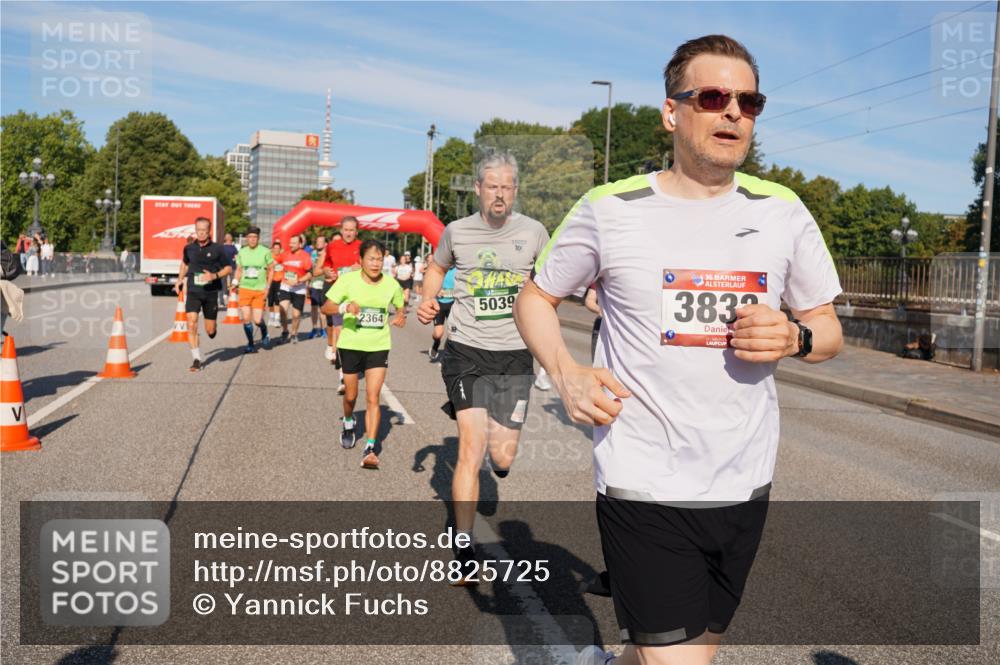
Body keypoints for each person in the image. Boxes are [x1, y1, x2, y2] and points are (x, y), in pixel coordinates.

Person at [513, 35, 844, 665]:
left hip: (745, 481)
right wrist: (566, 373)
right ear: (672, 112)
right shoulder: (609, 209)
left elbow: (827, 330)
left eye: (749, 102)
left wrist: (795, 337)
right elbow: (536, 297)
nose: (733, 112)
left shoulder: (783, 211)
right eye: (713, 97)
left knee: (690, 649)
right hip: (644, 479)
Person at [417, 151, 549, 580]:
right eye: (492, 186)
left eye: (507, 186)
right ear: (478, 189)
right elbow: (436, 268)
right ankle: (464, 545)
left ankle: (499, 440)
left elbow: (554, 278)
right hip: (467, 351)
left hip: (515, 353)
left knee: (502, 457)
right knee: (470, 450)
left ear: (515, 190)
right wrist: (427, 299)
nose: (499, 194)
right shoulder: (457, 231)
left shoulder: (534, 232)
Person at [322, 239, 406, 468]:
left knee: (373, 396)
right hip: (350, 345)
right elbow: (326, 307)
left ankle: (370, 447)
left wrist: (401, 316)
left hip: (378, 345)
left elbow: (400, 306)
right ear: (360, 260)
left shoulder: (391, 284)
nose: (376, 263)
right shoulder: (347, 280)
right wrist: (344, 307)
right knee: (350, 396)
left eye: (379, 259)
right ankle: (349, 421)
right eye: (371, 259)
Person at [174, 217, 233, 372]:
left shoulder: (218, 249)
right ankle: (196, 359)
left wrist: (214, 276)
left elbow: (228, 268)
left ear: (209, 231)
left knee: (210, 331)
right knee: (191, 322)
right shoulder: (189, 248)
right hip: (193, 291)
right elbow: (184, 264)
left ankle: (213, 328)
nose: (200, 233)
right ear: (195, 230)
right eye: (198, 230)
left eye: (204, 230)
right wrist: (179, 280)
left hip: (210, 293)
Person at [314, 216, 363, 394]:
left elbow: (374, 269)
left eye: (352, 230)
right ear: (341, 230)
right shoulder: (332, 246)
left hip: (357, 295)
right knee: (339, 332)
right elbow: (320, 269)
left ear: (356, 231)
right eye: (346, 230)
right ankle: (343, 377)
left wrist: (362, 268)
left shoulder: (363, 246)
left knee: (355, 334)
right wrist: (326, 271)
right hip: (338, 294)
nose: (348, 233)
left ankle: (353, 363)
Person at [233, 226, 274, 353]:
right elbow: (239, 269)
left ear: (258, 238)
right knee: (246, 318)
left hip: (259, 290)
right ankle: (250, 343)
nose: (252, 239)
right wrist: (235, 281)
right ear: (246, 238)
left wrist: (268, 286)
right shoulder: (242, 252)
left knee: (257, 320)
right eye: (250, 237)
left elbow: (271, 269)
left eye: (255, 237)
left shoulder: (265, 251)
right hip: (245, 288)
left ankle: (264, 331)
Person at [276, 234, 313, 343]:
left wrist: (299, 280)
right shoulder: (285, 254)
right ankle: (285, 331)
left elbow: (310, 273)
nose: (290, 245)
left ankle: (294, 333)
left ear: (300, 244)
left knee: (296, 315)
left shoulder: (305, 256)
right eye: (290, 242)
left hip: (299, 288)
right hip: (285, 286)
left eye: (294, 243)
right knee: (283, 310)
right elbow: (275, 262)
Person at [428, 265, 456, 362]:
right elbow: (429, 284)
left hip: (453, 304)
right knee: (438, 334)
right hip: (439, 304)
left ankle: (449, 355)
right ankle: (436, 344)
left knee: (454, 332)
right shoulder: (438, 268)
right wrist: (435, 292)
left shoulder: (459, 269)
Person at [307, 234, 329, 339]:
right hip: (314, 284)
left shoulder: (328, 254)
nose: (318, 243)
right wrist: (308, 284)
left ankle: (324, 329)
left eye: (321, 242)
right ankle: (314, 328)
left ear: (326, 244)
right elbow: (309, 269)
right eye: (317, 242)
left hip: (324, 284)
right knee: (314, 308)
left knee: (323, 308)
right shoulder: (312, 254)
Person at [267, 240, 286, 329]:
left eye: (278, 248)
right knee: (270, 301)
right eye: (275, 248)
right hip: (270, 281)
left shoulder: (283, 257)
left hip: (280, 281)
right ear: (272, 249)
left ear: (280, 249)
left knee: (277, 300)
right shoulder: (269, 257)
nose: (276, 250)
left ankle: (277, 319)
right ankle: (271, 317)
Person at [584, 283, 603, 362]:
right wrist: (600, 310)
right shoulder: (603, 277)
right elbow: (590, 300)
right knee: (598, 364)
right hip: (601, 326)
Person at [221, 233, 239, 305]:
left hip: (223, 267)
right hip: (232, 267)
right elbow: (236, 258)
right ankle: (232, 298)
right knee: (232, 283)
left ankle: (223, 298)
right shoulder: (233, 248)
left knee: (223, 283)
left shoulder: (222, 247)